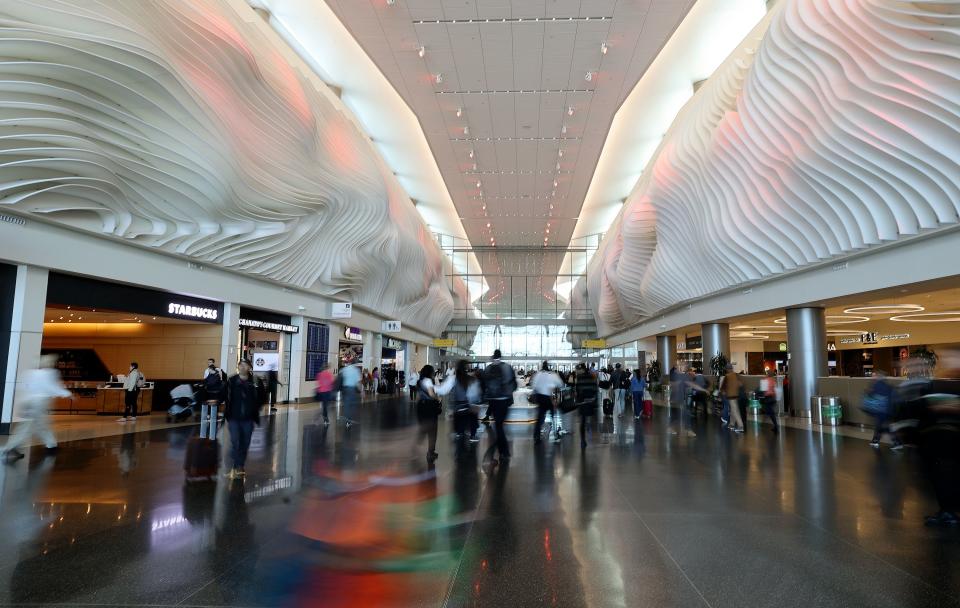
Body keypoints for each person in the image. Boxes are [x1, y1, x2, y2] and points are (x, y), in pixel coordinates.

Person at [2, 354, 69, 461]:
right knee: (35, 425)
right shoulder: (50, 373)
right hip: (40, 402)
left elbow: (22, 386)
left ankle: (51, 445)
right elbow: (52, 387)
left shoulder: (30, 373)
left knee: (35, 424)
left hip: (28, 401)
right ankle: (11, 448)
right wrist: (67, 393)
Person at [224, 360, 260, 479]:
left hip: (248, 419)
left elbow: (262, 397)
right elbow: (224, 395)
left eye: (245, 365)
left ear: (250, 367)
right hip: (234, 417)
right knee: (235, 441)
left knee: (245, 442)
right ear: (238, 367)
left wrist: (254, 409)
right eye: (240, 365)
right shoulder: (231, 381)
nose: (242, 367)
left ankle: (240, 465)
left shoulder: (255, 381)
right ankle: (234, 465)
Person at [482, 349, 517, 463]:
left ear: (493, 356)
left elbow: (484, 385)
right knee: (499, 426)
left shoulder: (487, 369)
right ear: (501, 356)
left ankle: (502, 451)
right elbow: (514, 385)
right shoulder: (507, 367)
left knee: (498, 426)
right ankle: (503, 452)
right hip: (504, 401)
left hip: (493, 401)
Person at [436, 360, 481, 444]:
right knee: (473, 416)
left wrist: (432, 388)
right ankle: (472, 435)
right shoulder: (472, 380)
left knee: (459, 423)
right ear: (467, 368)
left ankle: (459, 433)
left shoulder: (453, 379)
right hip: (468, 407)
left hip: (457, 407)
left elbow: (443, 390)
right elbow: (474, 396)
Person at [531, 361, 564, 444]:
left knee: (540, 417)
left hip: (540, 397)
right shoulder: (552, 375)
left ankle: (536, 437)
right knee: (553, 416)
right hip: (549, 398)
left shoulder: (538, 374)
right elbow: (561, 384)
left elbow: (533, 385)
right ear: (549, 366)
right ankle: (556, 435)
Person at [415, 365, 442, 462]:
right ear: (429, 372)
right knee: (432, 431)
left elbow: (417, 397)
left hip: (421, 407)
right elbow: (431, 394)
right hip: (430, 407)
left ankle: (415, 450)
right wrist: (438, 398)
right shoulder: (428, 381)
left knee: (423, 429)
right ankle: (431, 453)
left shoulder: (419, 381)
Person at [573, 363, 599, 449]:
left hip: (583, 402)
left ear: (582, 369)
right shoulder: (592, 377)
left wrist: (577, 400)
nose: (577, 371)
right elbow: (595, 389)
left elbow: (577, 390)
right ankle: (588, 436)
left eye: (578, 370)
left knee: (582, 421)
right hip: (590, 401)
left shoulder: (580, 378)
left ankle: (583, 440)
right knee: (589, 419)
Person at [201, 358, 226, 438]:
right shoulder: (207, 371)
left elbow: (220, 380)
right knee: (209, 405)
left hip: (216, 393)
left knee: (214, 405)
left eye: (210, 362)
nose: (209, 364)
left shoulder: (218, 371)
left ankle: (213, 417)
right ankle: (209, 416)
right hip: (210, 392)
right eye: (208, 362)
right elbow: (205, 380)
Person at [719, 364, 745, 433]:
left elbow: (722, 388)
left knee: (735, 411)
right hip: (737, 395)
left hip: (730, 396)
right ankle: (732, 424)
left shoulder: (727, 376)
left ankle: (740, 426)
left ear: (727, 369)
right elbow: (741, 384)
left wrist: (722, 393)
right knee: (734, 410)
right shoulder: (736, 375)